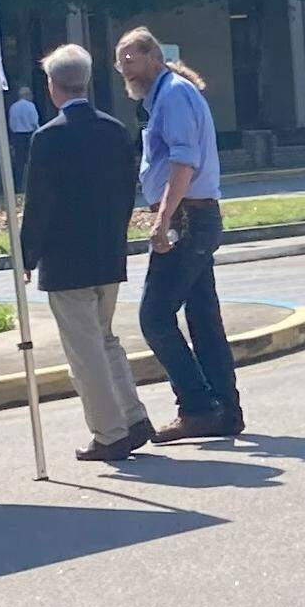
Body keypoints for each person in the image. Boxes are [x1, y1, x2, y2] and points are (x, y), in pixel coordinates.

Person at [20, 45, 153, 462]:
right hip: (107, 252)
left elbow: (39, 203)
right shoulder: (114, 130)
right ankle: (132, 417)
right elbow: (127, 191)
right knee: (107, 339)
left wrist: (26, 256)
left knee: (85, 350)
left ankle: (110, 433)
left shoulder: (48, 137)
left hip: (66, 260)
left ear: (51, 86)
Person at [113, 27, 244, 443]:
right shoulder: (167, 95)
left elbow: (183, 163)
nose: (125, 69)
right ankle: (224, 410)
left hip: (187, 218)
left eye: (131, 59)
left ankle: (199, 407)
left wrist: (163, 217)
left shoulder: (171, 94)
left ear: (154, 56)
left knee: (154, 317)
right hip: (193, 216)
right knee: (203, 317)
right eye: (121, 62)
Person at [7, 86, 39, 189]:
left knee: (19, 162)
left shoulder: (13, 107)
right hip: (30, 135)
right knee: (32, 161)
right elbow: (34, 122)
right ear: (27, 95)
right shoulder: (31, 106)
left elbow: (11, 124)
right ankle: (32, 185)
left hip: (17, 136)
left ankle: (18, 186)